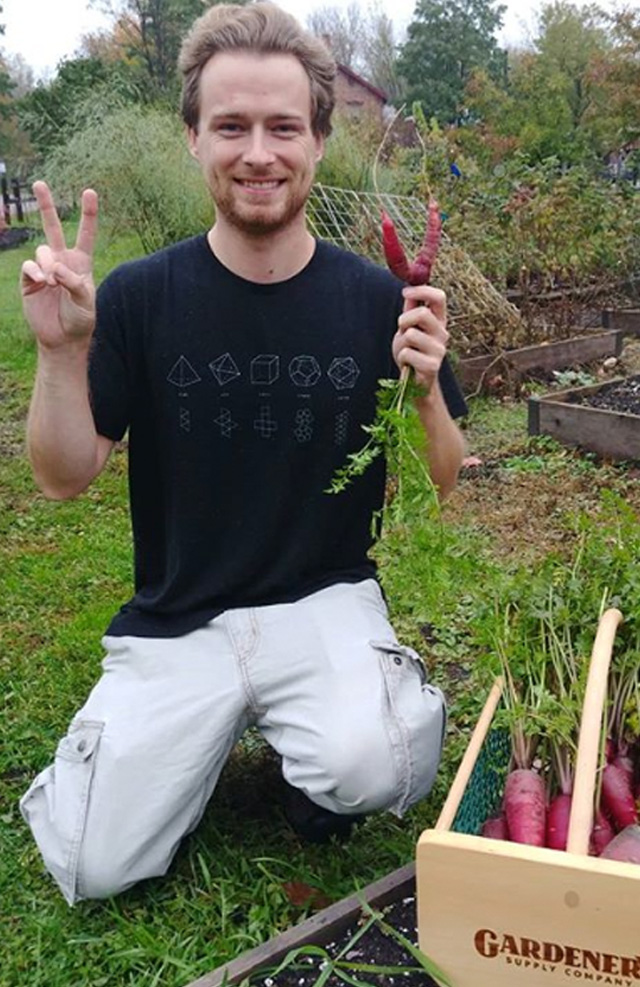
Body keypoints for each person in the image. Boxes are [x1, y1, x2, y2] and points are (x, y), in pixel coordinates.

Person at [19, 1, 467, 906]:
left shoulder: (382, 299)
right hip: (181, 620)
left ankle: (314, 757)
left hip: (323, 600)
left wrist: (424, 395)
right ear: (193, 137)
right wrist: (63, 353)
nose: (258, 151)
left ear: (317, 141)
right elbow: (63, 476)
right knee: (96, 865)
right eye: (231, 126)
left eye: (282, 127)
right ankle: (181, 746)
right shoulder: (144, 297)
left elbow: (446, 478)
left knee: (386, 768)